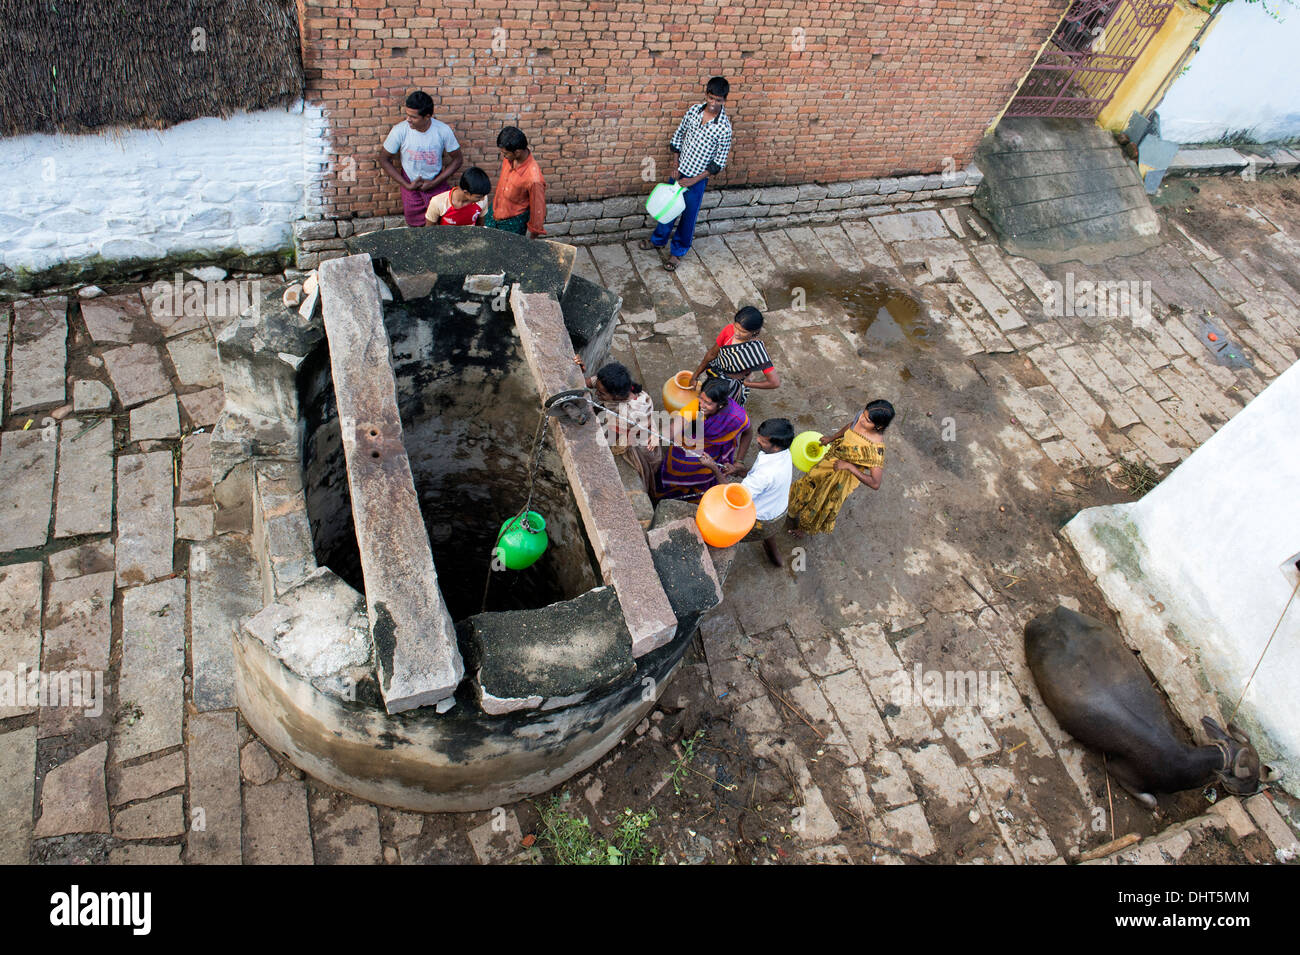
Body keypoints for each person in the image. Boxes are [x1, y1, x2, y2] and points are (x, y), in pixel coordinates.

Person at [640, 76, 733, 271]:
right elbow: (679, 135)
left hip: (696, 181)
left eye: (719, 100)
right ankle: (658, 241)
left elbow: (718, 163)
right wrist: (675, 165)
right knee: (667, 209)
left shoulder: (724, 128)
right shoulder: (693, 111)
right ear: (706, 94)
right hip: (679, 172)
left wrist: (693, 181)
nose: (714, 104)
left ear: (724, 100)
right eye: (711, 98)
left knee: (688, 217)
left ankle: (677, 253)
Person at [787, 399, 893, 536]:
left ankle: (803, 529)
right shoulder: (861, 417)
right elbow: (850, 426)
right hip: (830, 460)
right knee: (808, 483)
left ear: (878, 427)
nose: (861, 420)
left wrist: (850, 467)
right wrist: (831, 438)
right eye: (863, 415)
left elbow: (875, 483)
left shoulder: (875, 449)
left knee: (820, 501)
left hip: (840, 479)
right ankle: (792, 508)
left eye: (867, 420)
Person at [655, 377, 751, 500]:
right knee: (675, 473)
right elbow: (674, 428)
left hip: (712, 454)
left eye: (708, 403)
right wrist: (657, 436)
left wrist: (739, 461)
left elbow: (748, 432)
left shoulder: (736, 415)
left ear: (721, 405)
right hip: (686, 449)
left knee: (705, 477)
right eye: (701, 398)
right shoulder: (694, 406)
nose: (702, 405)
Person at [378, 91, 464, 227]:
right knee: (416, 229)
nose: (408, 120)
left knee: (442, 223)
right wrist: (406, 185)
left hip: (437, 184)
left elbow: (458, 159)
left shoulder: (442, 130)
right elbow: (384, 159)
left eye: (413, 117)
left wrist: (435, 182)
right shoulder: (400, 131)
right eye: (407, 115)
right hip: (410, 187)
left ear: (427, 116)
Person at [578, 359, 662, 493]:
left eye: (601, 394)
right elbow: (590, 382)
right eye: (598, 391)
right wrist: (579, 372)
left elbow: (611, 438)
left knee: (646, 472)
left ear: (616, 396)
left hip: (638, 444)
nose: (597, 394)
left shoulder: (630, 414)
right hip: (635, 428)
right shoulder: (620, 387)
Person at [727, 418, 795, 566]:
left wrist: (713, 468)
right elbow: (758, 478)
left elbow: (734, 499)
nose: (757, 440)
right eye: (759, 436)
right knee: (769, 534)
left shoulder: (766, 474)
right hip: (777, 513)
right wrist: (741, 472)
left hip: (760, 520)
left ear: (776, 447)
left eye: (763, 440)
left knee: (727, 533)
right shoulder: (783, 453)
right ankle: (778, 561)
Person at [692, 306, 780, 406]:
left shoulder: (757, 352)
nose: (737, 333)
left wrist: (747, 384)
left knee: (721, 409)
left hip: (731, 388)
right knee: (705, 403)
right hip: (715, 375)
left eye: (743, 331)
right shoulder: (728, 331)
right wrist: (695, 375)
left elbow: (774, 382)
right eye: (736, 327)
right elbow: (712, 354)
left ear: (755, 331)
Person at [484, 127, 547, 237]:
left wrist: (531, 240)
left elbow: (538, 212)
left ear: (517, 152)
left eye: (505, 153)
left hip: (512, 224)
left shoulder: (534, 179)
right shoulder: (509, 159)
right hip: (494, 213)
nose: (503, 156)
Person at [424, 167, 491, 226]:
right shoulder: (438, 202)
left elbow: (480, 225)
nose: (482, 199)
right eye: (478, 197)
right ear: (466, 192)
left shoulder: (482, 199)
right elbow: (429, 230)